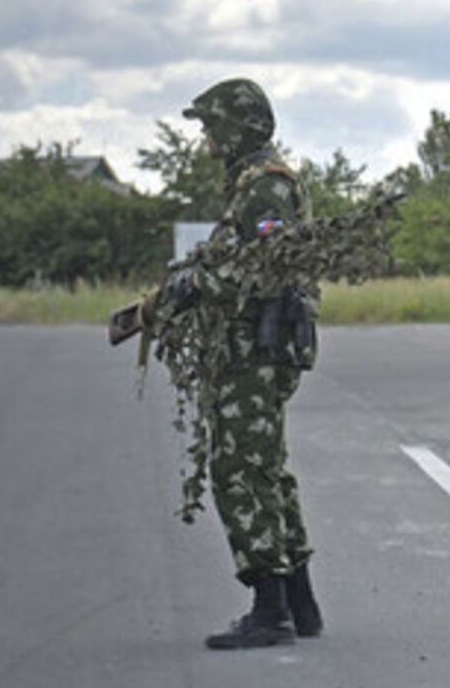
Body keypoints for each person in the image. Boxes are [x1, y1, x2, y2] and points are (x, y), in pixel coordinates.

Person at [176, 78, 324, 649]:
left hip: (254, 351)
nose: (207, 139)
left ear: (239, 127)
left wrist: (199, 283)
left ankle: (270, 611)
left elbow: (265, 265)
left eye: (212, 126)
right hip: (256, 349)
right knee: (265, 469)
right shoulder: (254, 183)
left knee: (238, 471)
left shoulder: (264, 187)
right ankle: (299, 604)